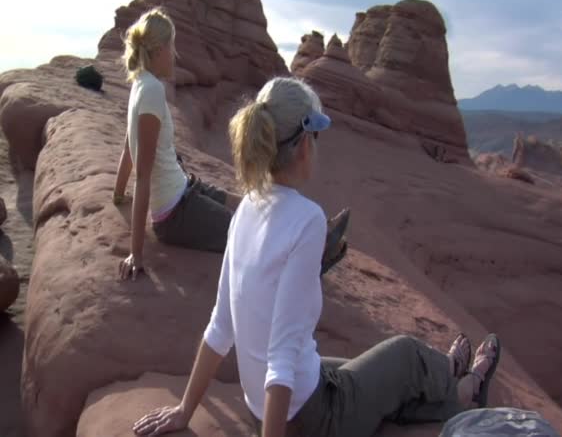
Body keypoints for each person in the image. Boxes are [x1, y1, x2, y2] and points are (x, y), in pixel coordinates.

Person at [132, 77, 501, 437]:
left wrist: (185, 410)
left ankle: (446, 378)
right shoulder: (307, 220)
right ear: (305, 144)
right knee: (405, 355)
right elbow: (281, 357)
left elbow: (220, 327)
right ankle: (463, 388)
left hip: (265, 405)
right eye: (317, 136)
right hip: (310, 418)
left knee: (373, 380)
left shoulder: (246, 207)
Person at [112, 8, 349, 281]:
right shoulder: (152, 90)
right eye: (171, 46)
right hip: (174, 214)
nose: (174, 55)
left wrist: (118, 194)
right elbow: (142, 173)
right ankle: (315, 257)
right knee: (243, 232)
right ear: (157, 50)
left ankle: (313, 232)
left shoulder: (141, 84)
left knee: (241, 203)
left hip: (183, 190)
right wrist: (136, 254)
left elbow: (129, 144)